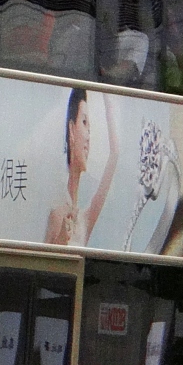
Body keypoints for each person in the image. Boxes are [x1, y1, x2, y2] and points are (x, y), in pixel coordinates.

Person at [46, 87, 119, 247]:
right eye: (84, 123)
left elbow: (114, 155)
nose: (88, 137)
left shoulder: (85, 219)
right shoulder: (56, 212)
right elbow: (41, 265)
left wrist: (108, 99)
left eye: (90, 129)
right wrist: (61, 240)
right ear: (72, 130)